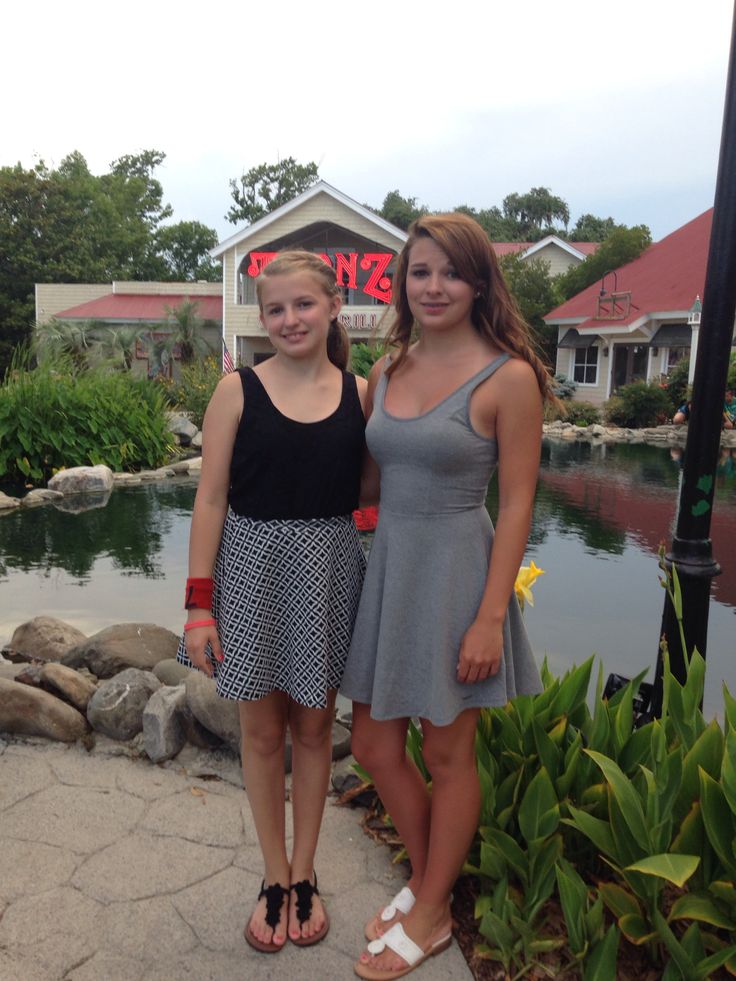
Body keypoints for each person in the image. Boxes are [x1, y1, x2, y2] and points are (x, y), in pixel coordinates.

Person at [340, 213, 553, 980]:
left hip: (460, 573)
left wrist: (490, 617)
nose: (433, 287)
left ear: (480, 283)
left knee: (446, 751)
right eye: (420, 272)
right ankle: (434, 878)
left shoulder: (508, 377)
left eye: (451, 273)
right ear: (402, 282)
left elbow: (519, 503)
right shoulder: (386, 370)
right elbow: (369, 483)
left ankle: (431, 911)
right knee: (373, 746)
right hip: (392, 568)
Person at [177, 251, 367, 954]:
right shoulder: (237, 391)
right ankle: (273, 875)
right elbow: (210, 499)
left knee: (314, 733)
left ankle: (306, 871)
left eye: (304, 304)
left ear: (334, 305)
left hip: (328, 571)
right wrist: (199, 606)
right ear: (262, 317)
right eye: (276, 308)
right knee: (260, 735)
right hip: (251, 570)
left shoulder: (361, 392)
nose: (290, 319)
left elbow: (376, 488)